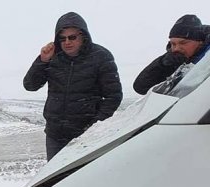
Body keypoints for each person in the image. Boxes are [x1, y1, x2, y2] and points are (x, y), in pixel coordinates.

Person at [24, 12, 123, 160]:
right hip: (55, 136)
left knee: (84, 179)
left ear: (83, 36)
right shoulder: (53, 57)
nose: (67, 42)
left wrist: (95, 125)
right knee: (56, 180)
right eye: (62, 38)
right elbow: (30, 85)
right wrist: (42, 61)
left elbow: (113, 96)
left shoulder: (101, 56)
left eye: (72, 37)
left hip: (86, 136)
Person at [133, 15, 210, 95]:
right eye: (173, 44)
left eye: (183, 43)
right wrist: (162, 64)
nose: (176, 48)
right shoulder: (175, 59)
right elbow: (141, 87)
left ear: (200, 42)